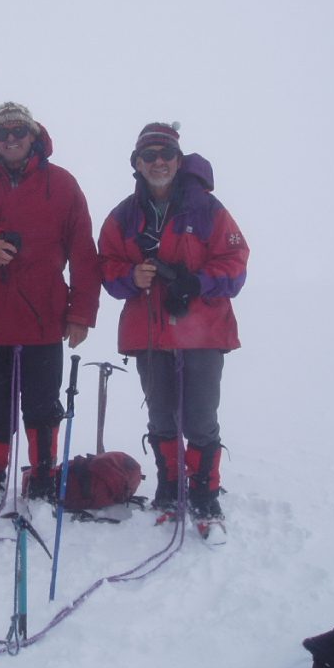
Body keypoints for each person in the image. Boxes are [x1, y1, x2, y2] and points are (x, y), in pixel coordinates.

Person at [0, 102, 101, 506]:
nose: (10, 139)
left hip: (42, 320)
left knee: (42, 408)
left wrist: (81, 314)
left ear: (33, 135)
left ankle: (43, 478)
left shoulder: (63, 185)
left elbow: (84, 253)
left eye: (18, 131)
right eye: (2, 134)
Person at [98, 121, 248, 542]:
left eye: (166, 154)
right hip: (150, 333)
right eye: (149, 155)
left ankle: (204, 495)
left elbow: (235, 264)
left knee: (200, 420)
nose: (158, 161)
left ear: (179, 160)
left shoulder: (208, 210)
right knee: (162, 416)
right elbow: (107, 269)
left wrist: (197, 282)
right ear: (137, 164)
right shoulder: (123, 216)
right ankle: (169, 489)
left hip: (203, 333)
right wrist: (133, 276)